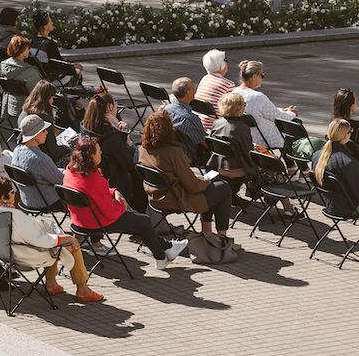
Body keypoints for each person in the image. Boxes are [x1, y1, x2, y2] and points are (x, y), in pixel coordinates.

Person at [63, 136, 188, 269]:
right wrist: (121, 203)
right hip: (96, 222)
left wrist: (113, 192)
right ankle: (162, 256)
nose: (101, 153)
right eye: (98, 152)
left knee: (137, 219)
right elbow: (110, 212)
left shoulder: (71, 171)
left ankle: (166, 249)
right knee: (143, 221)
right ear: (91, 156)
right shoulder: (95, 180)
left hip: (79, 221)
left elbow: (93, 192)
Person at [0, 176, 104, 301]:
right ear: (3, 198)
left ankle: (52, 283)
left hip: (1, 253)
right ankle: (83, 289)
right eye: (12, 192)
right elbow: (41, 240)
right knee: (71, 245)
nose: (15, 193)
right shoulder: (14, 216)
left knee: (53, 235)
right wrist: (66, 238)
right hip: (24, 256)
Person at [139, 110, 233, 239]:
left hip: (155, 197)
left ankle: (207, 233)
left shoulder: (144, 148)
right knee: (223, 188)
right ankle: (222, 238)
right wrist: (204, 181)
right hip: (176, 198)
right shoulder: (173, 152)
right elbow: (193, 186)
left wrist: (200, 181)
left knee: (212, 189)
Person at [82, 91, 145, 212]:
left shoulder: (87, 127)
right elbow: (127, 163)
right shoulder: (111, 135)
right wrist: (127, 141)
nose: (116, 107)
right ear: (110, 107)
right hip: (116, 179)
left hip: (95, 175)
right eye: (115, 104)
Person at [232, 60, 296, 150]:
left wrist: (282, 110)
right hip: (262, 138)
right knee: (294, 124)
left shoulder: (235, 91)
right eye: (262, 75)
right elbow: (279, 117)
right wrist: (291, 113)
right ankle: (295, 163)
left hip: (246, 135)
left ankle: (290, 162)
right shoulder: (258, 97)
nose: (263, 78)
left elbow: (262, 111)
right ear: (254, 76)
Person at [12, 114, 67, 211]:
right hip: (45, 202)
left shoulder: (16, 151)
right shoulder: (40, 158)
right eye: (43, 130)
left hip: (26, 199)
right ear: (35, 135)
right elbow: (61, 180)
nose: (47, 133)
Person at [19, 80, 73, 161]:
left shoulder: (24, 112)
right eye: (52, 98)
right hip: (46, 157)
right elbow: (54, 152)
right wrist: (67, 148)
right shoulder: (44, 119)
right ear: (47, 98)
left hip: (29, 151)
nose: (52, 101)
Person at [165, 77, 209, 165]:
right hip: (189, 156)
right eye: (193, 88)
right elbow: (205, 143)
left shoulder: (166, 109)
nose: (195, 91)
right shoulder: (190, 119)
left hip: (170, 151)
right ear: (188, 93)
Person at [0, 36, 42, 120]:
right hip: (26, 108)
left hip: (11, 103)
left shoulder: (3, 65)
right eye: (28, 48)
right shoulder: (30, 71)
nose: (29, 50)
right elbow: (38, 91)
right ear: (22, 50)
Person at [195, 49, 235, 132]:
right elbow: (231, 112)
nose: (227, 63)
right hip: (215, 126)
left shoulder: (205, 79)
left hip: (200, 123)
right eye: (225, 60)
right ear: (220, 65)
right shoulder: (228, 85)